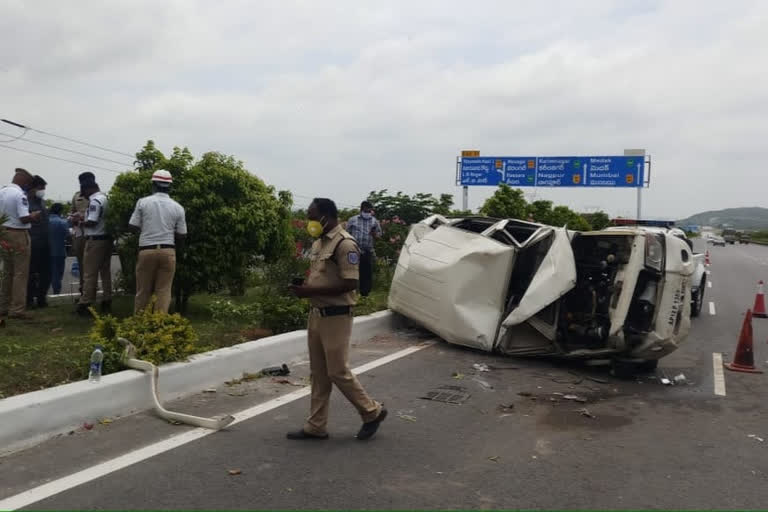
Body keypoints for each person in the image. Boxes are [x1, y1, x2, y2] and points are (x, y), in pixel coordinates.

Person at [288, 198, 387, 441]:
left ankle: (372, 411)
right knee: (319, 374)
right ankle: (316, 426)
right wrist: (305, 286)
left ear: (326, 216)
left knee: (337, 371)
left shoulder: (345, 244)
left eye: (312, 216)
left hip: (337, 316)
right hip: (317, 315)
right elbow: (322, 276)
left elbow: (350, 283)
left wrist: (310, 292)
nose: (310, 221)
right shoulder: (319, 243)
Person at [128, 170, 187, 314]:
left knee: (143, 289)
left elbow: (132, 226)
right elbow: (182, 234)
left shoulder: (143, 202)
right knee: (164, 290)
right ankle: (158, 324)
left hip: (146, 250)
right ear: (169, 186)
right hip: (168, 251)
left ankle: (140, 323)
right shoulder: (178, 207)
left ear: (153, 184)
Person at [0, 168, 40, 321]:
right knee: (20, 273)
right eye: (28, 183)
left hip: (3, 232)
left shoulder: (2, 191)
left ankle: (3, 306)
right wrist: (34, 215)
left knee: (7, 272)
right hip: (18, 234)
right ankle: (17, 309)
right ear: (23, 181)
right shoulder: (19, 195)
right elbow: (24, 218)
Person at [76, 176, 112, 316]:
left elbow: (92, 222)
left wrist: (79, 222)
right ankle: (107, 300)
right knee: (105, 272)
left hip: (95, 240)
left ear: (88, 189)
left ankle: (86, 304)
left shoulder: (95, 201)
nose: (84, 196)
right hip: (106, 239)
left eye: (84, 193)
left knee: (89, 273)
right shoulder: (105, 199)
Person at [345, 201, 382, 297]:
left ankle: (365, 294)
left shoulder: (374, 221)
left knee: (366, 273)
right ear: (361, 210)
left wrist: (374, 234)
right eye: (366, 211)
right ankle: (352, 291)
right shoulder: (353, 220)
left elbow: (379, 236)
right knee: (352, 271)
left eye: (370, 211)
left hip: (367, 250)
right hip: (354, 250)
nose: (368, 213)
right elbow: (346, 234)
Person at [26, 175, 50, 308]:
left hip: (45, 242)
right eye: (41, 188)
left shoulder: (42, 202)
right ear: (33, 188)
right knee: (30, 273)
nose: (43, 190)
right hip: (33, 242)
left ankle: (42, 299)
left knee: (46, 273)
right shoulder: (26, 202)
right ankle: (28, 300)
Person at [69, 172, 94, 296]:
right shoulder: (76, 196)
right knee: (81, 263)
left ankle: (91, 290)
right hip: (79, 234)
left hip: (93, 234)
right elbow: (71, 212)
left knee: (92, 264)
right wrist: (73, 218)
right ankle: (83, 289)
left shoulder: (97, 196)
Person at [48, 203, 70, 295]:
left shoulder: (45, 221)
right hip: (59, 251)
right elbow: (68, 236)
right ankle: (56, 293)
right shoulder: (63, 222)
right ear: (60, 211)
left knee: (46, 273)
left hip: (46, 252)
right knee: (57, 274)